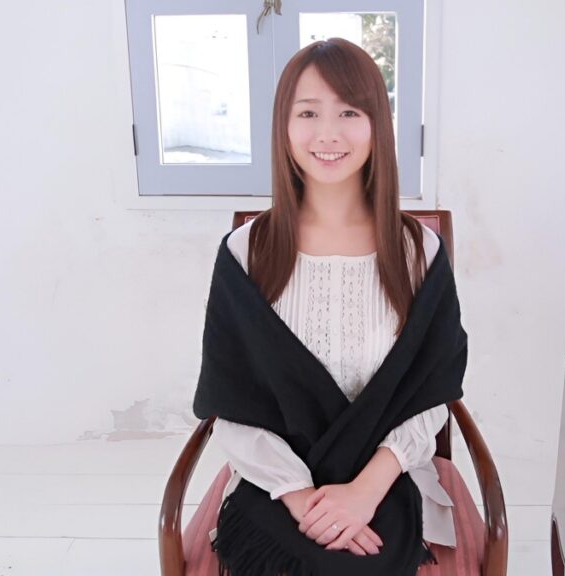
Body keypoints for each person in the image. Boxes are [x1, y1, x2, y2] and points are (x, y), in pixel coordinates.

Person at [193, 38, 468, 576]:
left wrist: (364, 492)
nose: (328, 134)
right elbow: (231, 400)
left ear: (377, 125)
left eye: (349, 112)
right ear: (283, 126)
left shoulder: (418, 252)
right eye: (308, 113)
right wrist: (301, 497)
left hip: (387, 478)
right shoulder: (247, 253)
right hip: (275, 483)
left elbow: (432, 392)